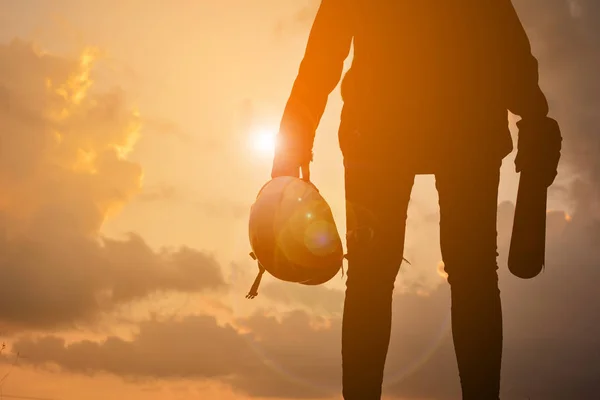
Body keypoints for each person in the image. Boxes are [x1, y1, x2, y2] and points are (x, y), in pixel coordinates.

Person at [270, 1, 561, 399]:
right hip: (461, 125)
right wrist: (532, 110)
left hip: (381, 130)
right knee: (472, 274)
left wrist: (296, 136)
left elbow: (324, 50)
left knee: (372, 279)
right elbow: (503, 33)